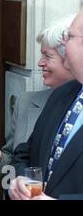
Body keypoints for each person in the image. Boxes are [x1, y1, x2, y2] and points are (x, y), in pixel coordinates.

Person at [0, 16, 75, 182]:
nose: (40, 63)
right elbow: (15, 164)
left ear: (69, 58)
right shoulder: (26, 103)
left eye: (47, 56)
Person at [9, 11, 83, 200]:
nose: (64, 43)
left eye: (70, 36)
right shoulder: (62, 95)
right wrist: (20, 180)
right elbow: (25, 152)